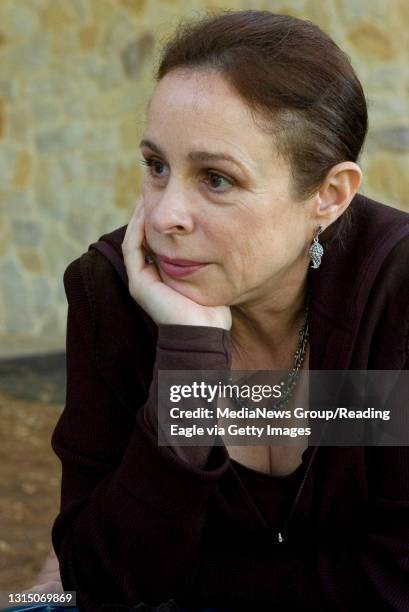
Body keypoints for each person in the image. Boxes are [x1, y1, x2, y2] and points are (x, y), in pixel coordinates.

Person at [51, 9, 409, 612]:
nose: (165, 215)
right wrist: (188, 367)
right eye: (156, 166)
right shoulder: (110, 290)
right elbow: (100, 580)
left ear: (329, 195)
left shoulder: (395, 295)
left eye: (216, 179)